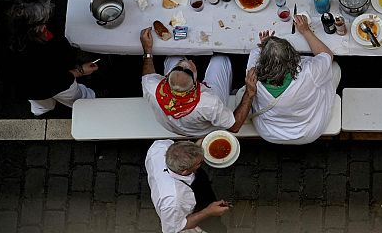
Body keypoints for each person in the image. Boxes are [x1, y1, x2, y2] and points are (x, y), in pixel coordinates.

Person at [139, 27, 255, 136]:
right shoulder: (209, 103)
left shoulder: (152, 87)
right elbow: (234, 127)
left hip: (172, 124)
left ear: (167, 76)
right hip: (202, 130)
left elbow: (147, 75)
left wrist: (147, 51)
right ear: (196, 83)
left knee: (172, 57)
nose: (189, 61)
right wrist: (249, 92)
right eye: (190, 70)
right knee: (220, 60)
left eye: (179, 67)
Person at [244, 15, 340, 144]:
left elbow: (256, 56)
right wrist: (305, 30)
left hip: (270, 132)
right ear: (292, 57)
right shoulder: (308, 73)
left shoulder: (252, 72)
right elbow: (326, 55)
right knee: (333, 68)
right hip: (307, 132)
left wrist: (267, 47)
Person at [0, 0, 98, 116]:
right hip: (55, 84)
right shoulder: (34, 56)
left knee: (41, 104)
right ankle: (88, 106)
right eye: (42, 24)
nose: (45, 27)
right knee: (78, 97)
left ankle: (43, 112)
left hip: (28, 89)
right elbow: (54, 79)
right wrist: (80, 71)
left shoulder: (5, 36)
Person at [145, 139, 230, 233]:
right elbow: (173, 229)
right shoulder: (174, 202)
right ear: (184, 171)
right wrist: (208, 211)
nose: (202, 162)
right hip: (192, 214)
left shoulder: (160, 147)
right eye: (199, 163)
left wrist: (196, 147)